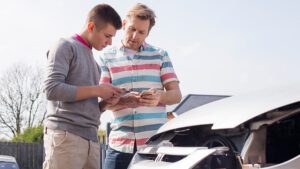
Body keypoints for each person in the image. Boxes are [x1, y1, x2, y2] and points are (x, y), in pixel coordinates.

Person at [98, 3, 182, 169]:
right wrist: (124, 102)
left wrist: (160, 96)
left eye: (141, 32)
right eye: (131, 29)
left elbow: (176, 95)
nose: (135, 35)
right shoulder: (106, 57)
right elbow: (101, 100)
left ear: (148, 33)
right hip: (119, 145)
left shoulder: (160, 55)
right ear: (123, 25)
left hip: (155, 145)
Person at [43, 4, 124, 169]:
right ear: (91, 27)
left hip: (92, 141)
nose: (109, 42)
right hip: (66, 138)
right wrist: (98, 90)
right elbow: (52, 89)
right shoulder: (65, 45)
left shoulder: (95, 65)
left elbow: (85, 104)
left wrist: (104, 104)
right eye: (107, 36)